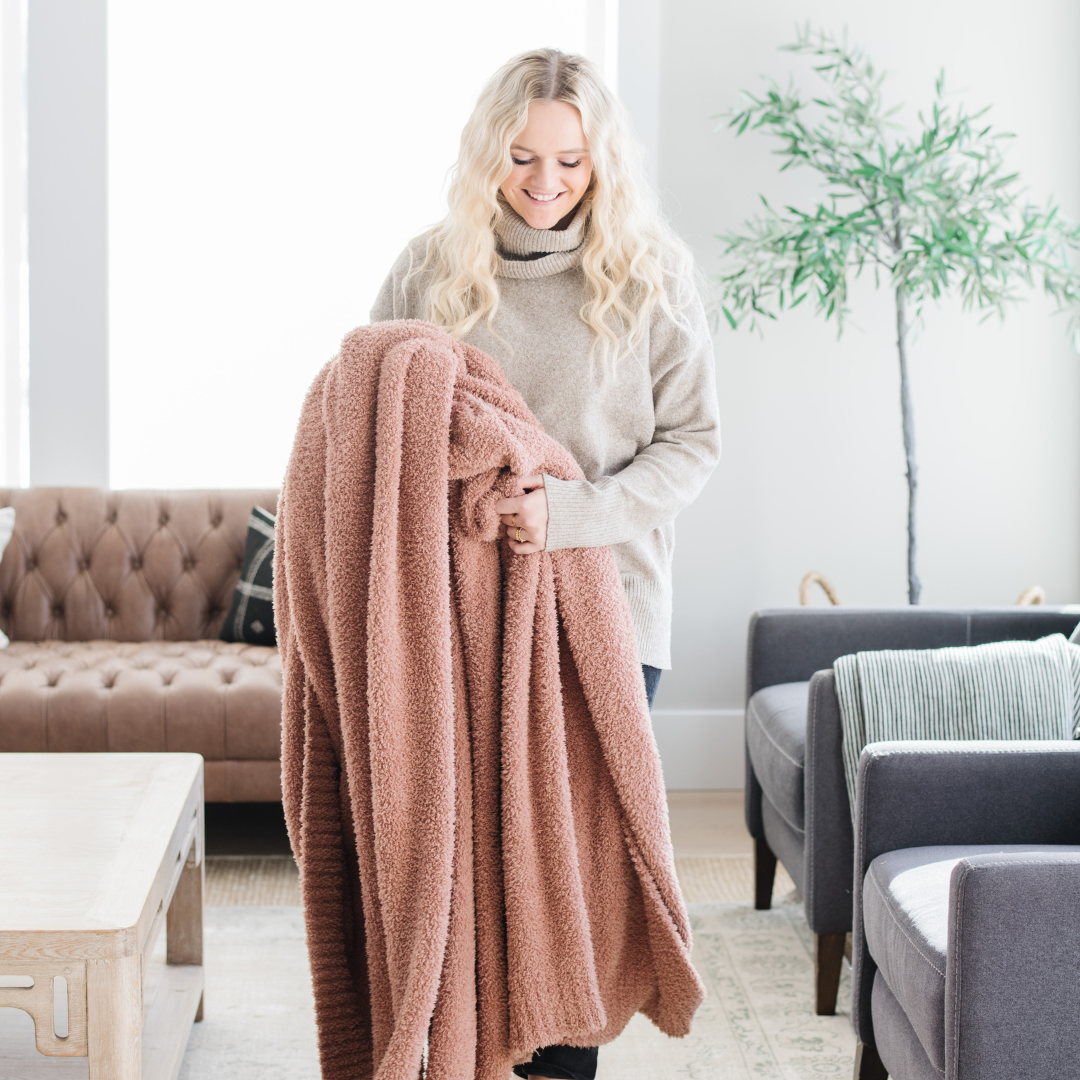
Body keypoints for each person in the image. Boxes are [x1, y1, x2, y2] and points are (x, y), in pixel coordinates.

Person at [370, 47, 720, 1080]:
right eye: (521, 157)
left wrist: (572, 512)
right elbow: (377, 421)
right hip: (459, 611)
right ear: (488, 153)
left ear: (603, 159)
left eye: (571, 160)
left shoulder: (653, 275)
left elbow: (694, 445)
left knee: (566, 879)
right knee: (468, 870)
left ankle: (561, 1064)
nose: (546, 182)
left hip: (605, 608)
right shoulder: (428, 269)